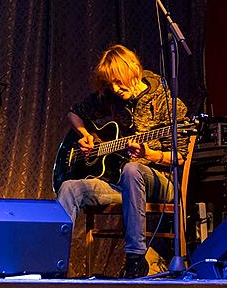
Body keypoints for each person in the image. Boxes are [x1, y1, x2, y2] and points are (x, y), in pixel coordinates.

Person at [56, 44, 188, 278]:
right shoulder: (111, 96)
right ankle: (53, 261)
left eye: (118, 82)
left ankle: (135, 260)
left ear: (134, 70)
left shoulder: (165, 102)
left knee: (132, 169)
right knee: (69, 187)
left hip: (161, 182)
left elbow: (179, 157)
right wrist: (86, 135)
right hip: (120, 183)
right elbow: (73, 113)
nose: (115, 89)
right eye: (110, 85)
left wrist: (149, 154)